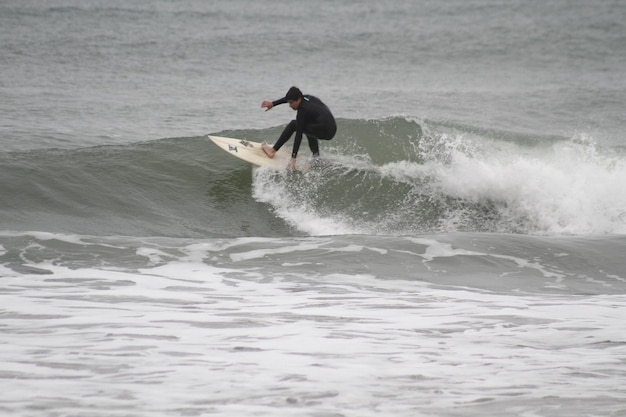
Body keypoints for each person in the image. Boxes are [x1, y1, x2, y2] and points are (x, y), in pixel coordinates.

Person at [261, 86, 337, 171]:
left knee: (293, 124)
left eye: (291, 103)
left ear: (298, 100)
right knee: (308, 125)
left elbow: (299, 135)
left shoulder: (302, 110)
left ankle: (272, 151)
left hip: (325, 131)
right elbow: (287, 99)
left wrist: (293, 157)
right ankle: (316, 157)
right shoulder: (306, 98)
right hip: (331, 127)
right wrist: (273, 104)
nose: (289, 105)